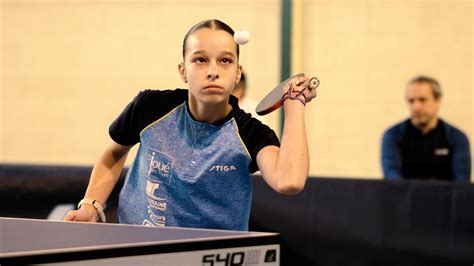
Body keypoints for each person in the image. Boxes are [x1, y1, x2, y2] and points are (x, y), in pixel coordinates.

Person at [64, 19, 317, 230]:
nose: (213, 71)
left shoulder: (251, 134)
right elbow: (113, 154)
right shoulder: (150, 108)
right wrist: (90, 205)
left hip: (211, 256)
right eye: (200, 60)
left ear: (238, 72)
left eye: (225, 61)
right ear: (183, 70)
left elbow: (289, 181)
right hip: (139, 248)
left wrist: (295, 103)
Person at [381, 75, 471, 181]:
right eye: (411, 101)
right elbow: (392, 177)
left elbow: (462, 182)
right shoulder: (393, 136)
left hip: (445, 197)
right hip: (406, 196)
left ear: (437, 101)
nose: (416, 107)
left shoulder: (456, 138)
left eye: (422, 100)